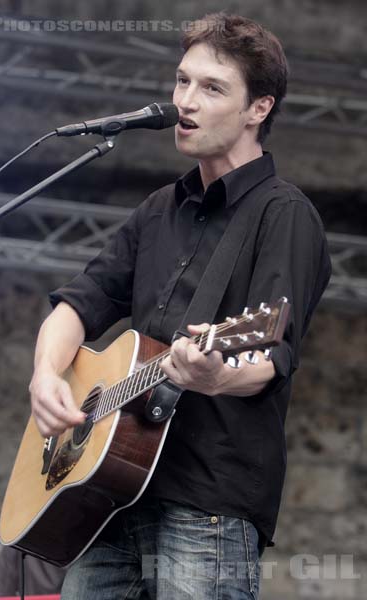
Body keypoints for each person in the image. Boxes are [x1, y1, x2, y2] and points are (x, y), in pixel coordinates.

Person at [29, 13, 331, 600]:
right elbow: (78, 303)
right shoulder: (157, 210)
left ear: (258, 109)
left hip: (208, 502)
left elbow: (271, 352)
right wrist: (44, 375)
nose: (186, 100)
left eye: (212, 88)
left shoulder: (283, 213)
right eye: (182, 81)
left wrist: (217, 376)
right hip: (108, 495)